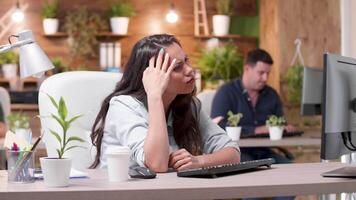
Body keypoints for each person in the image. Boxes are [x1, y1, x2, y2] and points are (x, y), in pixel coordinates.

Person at [90, 34, 240, 172]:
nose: (189, 70)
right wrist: (154, 95)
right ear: (151, 76)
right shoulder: (123, 106)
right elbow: (157, 164)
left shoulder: (189, 105)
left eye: (186, 60)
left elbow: (232, 153)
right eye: (176, 67)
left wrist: (199, 161)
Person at [211, 48, 296, 164]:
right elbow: (217, 126)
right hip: (236, 153)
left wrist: (285, 127)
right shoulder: (226, 92)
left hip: (265, 152)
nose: (265, 78)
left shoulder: (271, 94)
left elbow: (279, 122)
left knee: (290, 168)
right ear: (247, 69)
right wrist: (255, 130)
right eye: (261, 73)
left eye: (268, 74)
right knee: (251, 171)